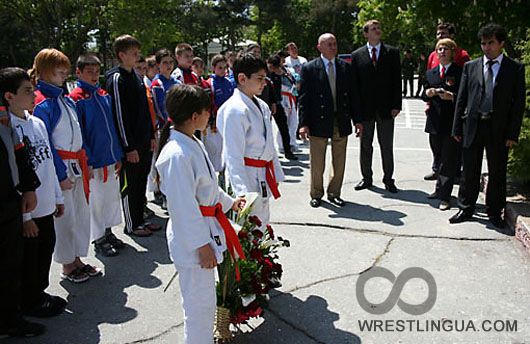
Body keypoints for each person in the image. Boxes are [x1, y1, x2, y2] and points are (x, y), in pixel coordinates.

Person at [155, 84, 245, 344]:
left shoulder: (191, 141)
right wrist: (201, 246)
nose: (210, 116)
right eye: (208, 111)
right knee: (198, 308)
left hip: (204, 227)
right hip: (192, 239)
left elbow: (207, 186)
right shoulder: (176, 154)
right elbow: (183, 208)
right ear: (195, 116)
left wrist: (229, 202)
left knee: (204, 303)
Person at [32, 48, 101, 283]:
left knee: (81, 215)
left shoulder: (64, 100)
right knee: (65, 218)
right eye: (57, 69)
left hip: (77, 163)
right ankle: (67, 264)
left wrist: (87, 161)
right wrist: (60, 174)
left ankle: (78, 259)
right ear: (44, 71)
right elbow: (47, 144)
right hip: (62, 166)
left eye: (64, 69)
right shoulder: (42, 104)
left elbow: (78, 133)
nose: (63, 73)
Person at [2, 67, 67, 317]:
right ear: (9, 96)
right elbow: (16, 176)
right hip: (29, 211)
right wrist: (26, 217)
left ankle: (39, 292)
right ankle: (29, 300)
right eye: (27, 90)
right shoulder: (9, 128)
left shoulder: (37, 122)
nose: (33, 94)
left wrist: (58, 198)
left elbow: (48, 163)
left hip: (47, 203)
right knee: (29, 258)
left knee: (46, 249)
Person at [450, 23, 525, 229]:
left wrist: (512, 133)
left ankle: (494, 212)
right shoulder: (470, 67)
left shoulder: (515, 69)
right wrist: (457, 128)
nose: (486, 47)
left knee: (497, 171)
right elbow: (462, 99)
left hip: (499, 129)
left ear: (501, 43)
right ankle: (465, 207)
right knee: (470, 170)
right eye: (483, 43)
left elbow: (518, 105)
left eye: (491, 43)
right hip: (473, 126)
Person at [217, 53, 285, 230]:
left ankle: (262, 257)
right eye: (260, 78)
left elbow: (270, 143)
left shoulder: (261, 105)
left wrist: (276, 172)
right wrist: (243, 193)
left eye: (265, 78)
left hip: (262, 172)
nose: (264, 82)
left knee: (261, 225)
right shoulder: (234, 110)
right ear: (242, 78)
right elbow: (232, 155)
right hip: (245, 173)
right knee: (247, 229)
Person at [70, 53, 125, 256]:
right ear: (78, 72)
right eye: (89, 71)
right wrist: (89, 161)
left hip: (110, 157)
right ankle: (98, 238)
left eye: (96, 71)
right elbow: (80, 133)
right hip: (94, 161)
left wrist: (117, 154)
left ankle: (108, 232)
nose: (94, 75)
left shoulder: (102, 94)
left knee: (111, 199)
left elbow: (112, 126)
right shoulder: (76, 98)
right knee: (96, 202)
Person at [299, 33, 362, 208]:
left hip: (340, 119)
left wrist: (358, 120)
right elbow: (303, 99)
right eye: (329, 44)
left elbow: (354, 97)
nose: (333, 47)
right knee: (317, 161)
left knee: (339, 160)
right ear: (319, 47)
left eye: (334, 44)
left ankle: (334, 192)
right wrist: (303, 124)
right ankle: (316, 193)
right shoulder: (310, 68)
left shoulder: (345, 67)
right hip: (318, 121)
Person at [105, 35, 159, 237]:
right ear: (122, 55)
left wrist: (152, 135)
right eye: (133, 52)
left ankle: (141, 217)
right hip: (131, 145)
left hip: (144, 140)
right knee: (130, 184)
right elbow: (120, 115)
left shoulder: (136, 76)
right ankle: (131, 224)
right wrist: (128, 148)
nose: (137, 56)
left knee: (142, 181)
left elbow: (146, 109)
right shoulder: (116, 79)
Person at [0, 93, 43, 337]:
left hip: (8, 199)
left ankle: (10, 319)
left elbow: (18, 149)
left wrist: (28, 186)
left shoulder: (3, 111)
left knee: (9, 263)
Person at [351, 19, 402, 193]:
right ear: (366, 33)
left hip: (387, 109)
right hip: (365, 110)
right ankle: (366, 178)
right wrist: (355, 113)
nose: (377, 30)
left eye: (379, 28)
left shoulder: (392, 53)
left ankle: (389, 179)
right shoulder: (357, 55)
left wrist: (397, 105)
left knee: (386, 146)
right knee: (366, 146)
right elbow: (355, 86)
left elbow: (397, 80)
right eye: (373, 28)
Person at [421, 39, 462, 210]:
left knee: (448, 160)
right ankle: (439, 190)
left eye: (446, 48)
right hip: (434, 122)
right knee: (438, 156)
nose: (442, 51)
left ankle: (445, 197)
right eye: (439, 49)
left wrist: (451, 96)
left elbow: (465, 95)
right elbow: (423, 95)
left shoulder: (460, 72)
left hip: (451, 122)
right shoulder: (431, 73)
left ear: (452, 52)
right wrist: (428, 93)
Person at [203, 54, 234, 172]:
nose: (223, 70)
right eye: (220, 68)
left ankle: (224, 175)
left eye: (225, 67)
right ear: (213, 68)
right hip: (213, 123)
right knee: (214, 149)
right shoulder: (209, 83)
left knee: (226, 149)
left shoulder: (229, 82)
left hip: (227, 121)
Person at [267, 54, 297, 160]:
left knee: (284, 127)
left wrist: (282, 73)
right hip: (266, 104)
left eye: (275, 68)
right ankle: (269, 152)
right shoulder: (264, 75)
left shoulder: (281, 73)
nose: (273, 70)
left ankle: (288, 150)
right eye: (271, 67)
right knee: (267, 129)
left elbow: (292, 81)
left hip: (278, 103)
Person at [151, 48, 181, 125]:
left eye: (171, 62)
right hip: (164, 126)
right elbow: (159, 109)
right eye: (165, 62)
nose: (169, 65)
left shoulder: (178, 83)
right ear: (158, 64)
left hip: (178, 124)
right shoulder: (157, 84)